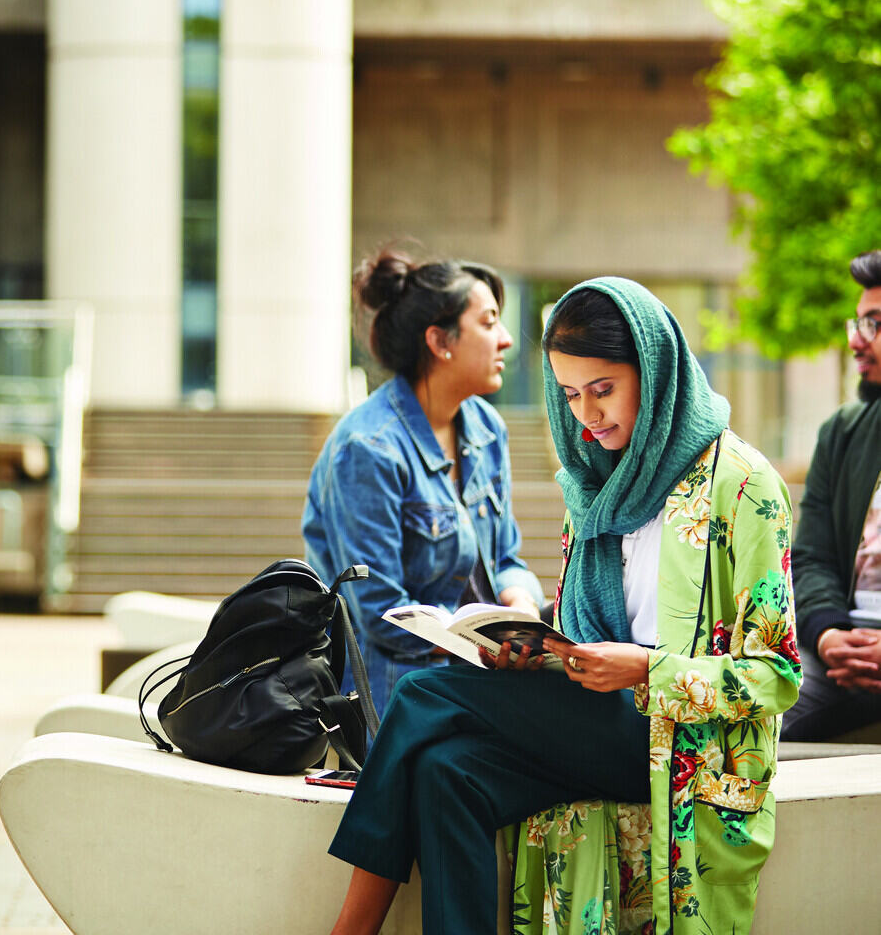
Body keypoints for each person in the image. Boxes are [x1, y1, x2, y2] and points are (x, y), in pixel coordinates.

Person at [325, 278, 801, 935]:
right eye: (571, 395)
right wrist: (535, 647)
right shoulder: (595, 487)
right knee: (443, 773)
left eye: (603, 390)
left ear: (654, 372)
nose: (586, 416)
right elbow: (590, 628)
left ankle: (350, 928)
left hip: (681, 748)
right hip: (601, 723)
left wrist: (643, 670)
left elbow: (776, 677)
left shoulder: (743, 487)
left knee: (420, 699)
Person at [302, 250, 543, 716]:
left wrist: (522, 609)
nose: (507, 340)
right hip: (398, 699)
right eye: (489, 322)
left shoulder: (488, 429)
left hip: (478, 684)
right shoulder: (368, 447)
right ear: (440, 341)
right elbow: (378, 611)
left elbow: (507, 558)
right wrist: (476, 643)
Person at [782, 250, 881, 741]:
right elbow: (811, 555)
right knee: (751, 717)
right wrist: (826, 634)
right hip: (841, 647)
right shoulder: (842, 432)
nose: (856, 340)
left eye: (875, 323)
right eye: (859, 320)